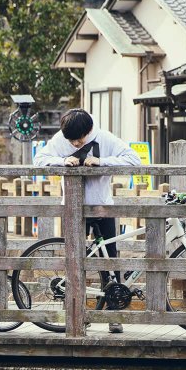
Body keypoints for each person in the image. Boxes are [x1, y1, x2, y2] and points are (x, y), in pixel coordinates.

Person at [34, 109, 141, 333]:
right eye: (71, 141)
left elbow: (134, 159)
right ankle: (76, 313)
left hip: (102, 206)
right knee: (74, 261)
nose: (75, 144)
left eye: (79, 140)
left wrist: (102, 162)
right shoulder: (61, 139)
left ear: (89, 130)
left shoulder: (105, 138)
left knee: (110, 261)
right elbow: (39, 159)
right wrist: (62, 161)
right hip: (73, 209)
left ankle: (114, 313)